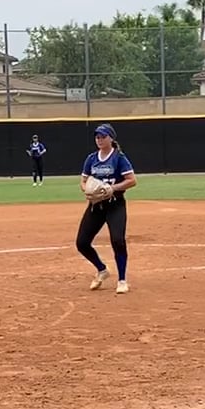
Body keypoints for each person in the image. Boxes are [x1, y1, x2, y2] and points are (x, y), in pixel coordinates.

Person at [76, 123, 137, 295]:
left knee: (118, 240)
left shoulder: (119, 158)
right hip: (96, 206)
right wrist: (87, 190)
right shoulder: (91, 159)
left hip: (115, 204)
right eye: (97, 137)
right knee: (82, 243)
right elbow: (83, 181)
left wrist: (113, 188)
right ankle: (102, 269)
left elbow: (132, 180)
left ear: (111, 138)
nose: (99, 139)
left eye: (103, 136)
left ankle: (122, 280)